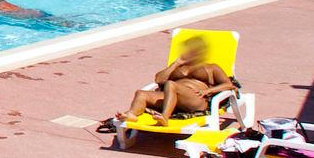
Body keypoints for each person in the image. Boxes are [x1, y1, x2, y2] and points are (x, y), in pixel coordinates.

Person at [99, 36, 237, 129]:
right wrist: (177, 63)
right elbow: (158, 80)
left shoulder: (211, 67)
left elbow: (229, 85)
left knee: (171, 84)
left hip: (196, 100)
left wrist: (207, 91)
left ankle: (165, 117)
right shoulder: (178, 66)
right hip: (173, 99)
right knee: (141, 93)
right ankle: (132, 114)